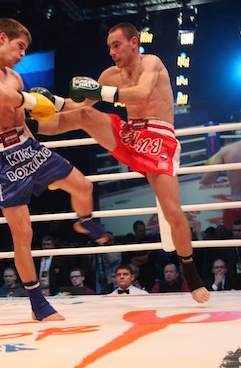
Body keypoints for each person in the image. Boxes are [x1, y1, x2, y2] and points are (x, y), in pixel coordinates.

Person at [28, 22, 209, 303]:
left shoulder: (152, 63)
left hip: (158, 138)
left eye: (117, 45)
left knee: (172, 211)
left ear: (134, 43)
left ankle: (192, 276)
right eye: (109, 47)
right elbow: (79, 106)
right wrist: (53, 102)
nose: (112, 52)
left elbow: (142, 93)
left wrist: (101, 92)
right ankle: (27, 127)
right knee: (85, 117)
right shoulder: (109, 75)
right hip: (130, 133)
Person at [0, 17, 108, 321]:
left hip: (26, 145)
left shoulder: (14, 77)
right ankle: (39, 304)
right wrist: (38, 101)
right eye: (20, 46)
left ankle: (85, 221)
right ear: (2, 38)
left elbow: (29, 114)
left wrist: (84, 103)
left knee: (83, 186)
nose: (23, 54)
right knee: (23, 232)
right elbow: (3, 97)